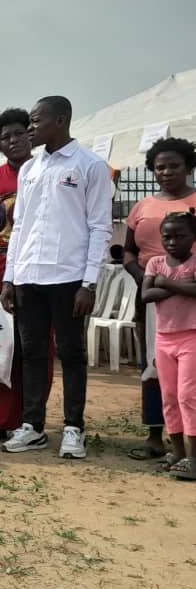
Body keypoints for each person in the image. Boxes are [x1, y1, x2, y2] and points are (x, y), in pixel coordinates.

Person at [0, 96, 113, 459]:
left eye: (36, 121)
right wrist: (9, 278)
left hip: (69, 279)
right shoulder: (29, 170)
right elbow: (18, 228)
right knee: (32, 354)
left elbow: (99, 227)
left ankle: (73, 428)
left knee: (71, 354)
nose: (30, 129)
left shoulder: (90, 166)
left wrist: (88, 282)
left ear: (61, 120)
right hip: (29, 277)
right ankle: (32, 426)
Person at [0, 108, 54, 445]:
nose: (14, 140)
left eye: (19, 133)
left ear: (31, 135)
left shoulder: (48, 172)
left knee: (36, 347)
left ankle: (30, 420)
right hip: (1, 267)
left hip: (40, 269)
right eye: (6, 137)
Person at [124, 137, 196, 460]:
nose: (166, 172)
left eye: (174, 166)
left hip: (190, 297)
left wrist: (170, 283)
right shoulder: (143, 207)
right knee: (154, 367)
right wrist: (145, 281)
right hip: (149, 293)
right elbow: (128, 252)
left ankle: (191, 446)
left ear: (188, 167)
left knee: (189, 377)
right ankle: (156, 435)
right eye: (159, 167)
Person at [141, 209, 196, 480]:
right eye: (167, 237)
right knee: (169, 396)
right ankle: (177, 451)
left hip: (191, 335)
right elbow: (146, 294)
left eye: (179, 236)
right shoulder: (155, 264)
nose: (173, 242)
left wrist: (164, 284)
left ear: (193, 237)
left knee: (188, 395)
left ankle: (193, 457)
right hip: (164, 337)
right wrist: (176, 284)